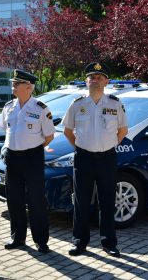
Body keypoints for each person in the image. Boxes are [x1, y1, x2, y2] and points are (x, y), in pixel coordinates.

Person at [63, 62, 128, 258]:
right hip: (83, 158)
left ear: (106, 81)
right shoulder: (77, 104)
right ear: (86, 81)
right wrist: (81, 147)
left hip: (107, 158)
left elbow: (123, 130)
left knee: (107, 201)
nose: (95, 80)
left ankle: (109, 243)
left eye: (99, 77)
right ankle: (79, 242)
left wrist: (109, 146)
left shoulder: (115, 104)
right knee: (81, 202)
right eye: (92, 77)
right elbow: (67, 130)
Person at [0, 69, 55, 253]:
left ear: (29, 87)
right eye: (13, 83)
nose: (13, 86)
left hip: (32, 158)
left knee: (36, 200)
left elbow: (49, 136)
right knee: (14, 200)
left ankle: (41, 240)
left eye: (17, 84)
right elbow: (5, 130)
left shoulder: (40, 108)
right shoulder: (8, 107)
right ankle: (17, 237)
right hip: (12, 158)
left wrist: (32, 147)